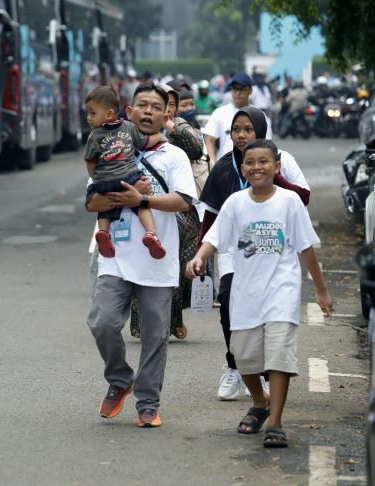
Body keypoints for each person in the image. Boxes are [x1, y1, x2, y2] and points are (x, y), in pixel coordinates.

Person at [187, 139, 334, 448]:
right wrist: (200, 257)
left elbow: (306, 247)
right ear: (243, 168)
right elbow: (214, 237)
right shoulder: (236, 203)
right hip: (246, 292)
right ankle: (260, 401)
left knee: (279, 356)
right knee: (244, 357)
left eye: (264, 161)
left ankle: (276, 422)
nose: (257, 167)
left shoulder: (290, 201)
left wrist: (321, 290)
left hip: (281, 290)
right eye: (250, 162)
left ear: (276, 166)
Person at [86, 83, 197, 427]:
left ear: (167, 114)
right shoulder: (109, 147)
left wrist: (142, 201)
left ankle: (148, 402)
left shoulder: (173, 155)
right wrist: (121, 200)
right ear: (128, 112)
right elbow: (91, 201)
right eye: (141, 105)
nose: (147, 112)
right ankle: (120, 380)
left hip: (158, 259)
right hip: (115, 254)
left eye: (155, 107)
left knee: (154, 335)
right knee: (102, 322)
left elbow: (183, 200)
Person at [198, 106, 311, 400]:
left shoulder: (281, 161)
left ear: (260, 130)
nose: (241, 135)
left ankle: (262, 374)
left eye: (248, 129)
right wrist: (201, 256)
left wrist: (276, 174)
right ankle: (234, 366)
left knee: (266, 312)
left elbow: (304, 197)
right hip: (234, 254)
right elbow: (211, 215)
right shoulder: (223, 167)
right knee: (228, 306)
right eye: (236, 130)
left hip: (272, 253)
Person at [128, 84, 203, 341]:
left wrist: (169, 125)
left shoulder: (180, 127)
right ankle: (140, 323)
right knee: (142, 267)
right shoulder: (131, 133)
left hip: (179, 209)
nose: (159, 110)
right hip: (137, 210)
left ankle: (174, 319)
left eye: (168, 104)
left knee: (178, 269)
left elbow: (196, 149)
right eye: (149, 105)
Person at [84, 85, 166, 259]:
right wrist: (162, 137)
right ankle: (151, 233)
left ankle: (103, 232)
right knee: (140, 203)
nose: (88, 118)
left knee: (104, 210)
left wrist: (96, 177)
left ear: (109, 114)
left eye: (92, 113)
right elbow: (145, 142)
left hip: (105, 180)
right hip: (129, 177)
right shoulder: (128, 127)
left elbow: (90, 160)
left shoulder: (94, 135)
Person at [202, 73, 272, 163]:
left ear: (250, 90)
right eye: (235, 89)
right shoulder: (219, 113)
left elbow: (267, 143)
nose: (238, 93)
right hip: (224, 167)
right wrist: (212, 165)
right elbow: (209, 139)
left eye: (242, 89)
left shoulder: (259, 115)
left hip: (251, 167)